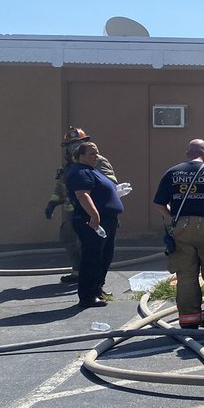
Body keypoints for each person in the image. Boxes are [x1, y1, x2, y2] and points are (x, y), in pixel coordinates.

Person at [153, 139, 204, 331]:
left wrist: (171, 221)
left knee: (186, 276)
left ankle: (189, 320)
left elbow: (159, 204)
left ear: (187, 153)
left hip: (180, 228)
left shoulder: (172, 173)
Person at [46, 127, 117, 285]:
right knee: (68, 237)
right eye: (71, 146)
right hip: (74, 212)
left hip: (92, 211)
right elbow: (62, 186)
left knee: (92, 246)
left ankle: (94, 281)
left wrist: (93, 206)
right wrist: (52, 202)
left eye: (77, 145)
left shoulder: (97, 160)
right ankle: (78, 272)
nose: (73, 149)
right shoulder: (70, 166)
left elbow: (109, 183)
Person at [65, 141, 124, 309]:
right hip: (93, 221)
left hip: (107, 220)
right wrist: (95, 216)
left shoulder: (92, 170)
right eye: (91, 154)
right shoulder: (80, 171)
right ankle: (88, 296)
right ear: (80, 156)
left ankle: (97, 289)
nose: (96, 156)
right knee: (93, 257)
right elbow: (83, 195)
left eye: (97, 153)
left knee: (104, 256)